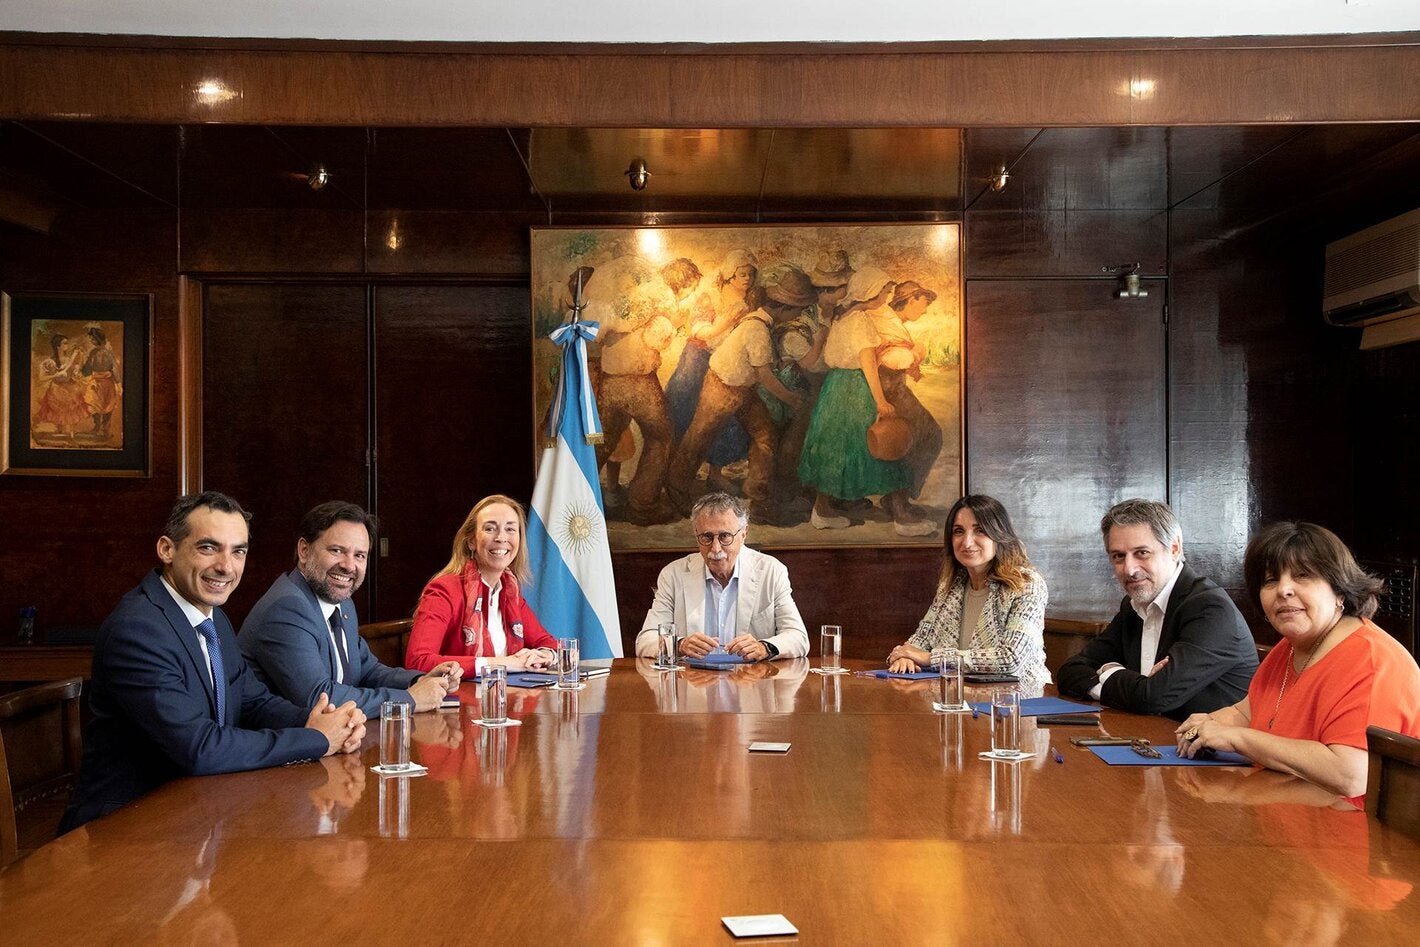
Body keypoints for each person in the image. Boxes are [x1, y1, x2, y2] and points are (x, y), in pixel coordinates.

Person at [60, 492, 366, 832]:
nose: (226, 566)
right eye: (208, 548)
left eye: (238, 551)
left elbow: (252, 700)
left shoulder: (212, 617)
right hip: (127, 828)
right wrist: (318, 739)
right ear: (167, 549)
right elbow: (199, 748)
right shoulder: (138, 630)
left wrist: (322, 720)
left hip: (200, 813)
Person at [1177, 522, 1420, 802]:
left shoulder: (1372, 661)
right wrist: (1205, 724)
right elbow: (1248, 712)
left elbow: (1351, 775)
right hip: (1286, 821)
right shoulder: (1291, 647)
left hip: (1356, 836)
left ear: (1340, 591)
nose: (1284, 590)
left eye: (1302, 576)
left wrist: (1235, 739)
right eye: (1270, 580)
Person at [240, 501, 462, 716]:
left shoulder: (341, 601)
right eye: (337, 550)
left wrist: (418, 680)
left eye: (359, 555)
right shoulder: (287, 608)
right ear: (304, 550)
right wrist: (411, 699)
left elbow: (366, 669)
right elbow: (320, 698)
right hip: (285, 745)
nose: (348, 565)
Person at [1057, 499, 1258, 719]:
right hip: (1151, 739)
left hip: (1207, 749)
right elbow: (1070, 671)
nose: (1130, 569)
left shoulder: (1210, 609)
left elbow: (1152, 698)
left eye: (1142, 553)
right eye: (1118, 556)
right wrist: (1129, 683)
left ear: (1174, 548)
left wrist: (1108, 672)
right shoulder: (1133, 606)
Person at [666, 267, 812, 516]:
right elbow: (765, 376)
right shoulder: (757, 329)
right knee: (698, 438)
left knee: (764, 436)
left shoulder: (761, 322)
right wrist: (792, 399)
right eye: (799, 309)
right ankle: (676, 490)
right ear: (785, 307)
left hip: (742, 390)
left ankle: (759, 495)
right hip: (722, 387)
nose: (800, 314)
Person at [886, 494, 1050, 684]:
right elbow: (917, 643)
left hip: (1016, 703)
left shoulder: (1026, 585)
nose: (967, 542)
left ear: (999, 535)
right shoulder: (950, 586)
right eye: (958, 531)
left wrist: (930, 659)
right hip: (955, 700)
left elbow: (1010, 660)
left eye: (979, 530)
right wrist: (904, 657)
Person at [635, 492, 809, 660]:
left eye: (725, 536)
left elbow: (798, 637)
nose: (716, 548)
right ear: (696, 536)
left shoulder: (771, 571)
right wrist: (679, 645)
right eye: (706, 537)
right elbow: (645, 641)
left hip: (751, 683)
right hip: (693, 683)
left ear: (744, 534)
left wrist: (764, 648)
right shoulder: (673, 575)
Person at [405, 495, 560, 674]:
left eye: (510, 529)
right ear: (471, 541)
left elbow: (548, 643)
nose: (501, 537)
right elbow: (418, 661)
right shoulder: (443, 590)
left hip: (506, 696)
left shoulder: (509, 591)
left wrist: (545, 655)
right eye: (490, 528)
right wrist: (503, 664)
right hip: (461, 698)